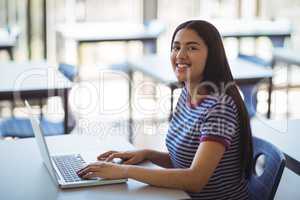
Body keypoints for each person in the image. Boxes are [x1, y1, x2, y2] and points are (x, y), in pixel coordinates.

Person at [77, 20, 253, 200]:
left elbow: (195, 179)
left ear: (212, 55)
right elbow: (184, 160)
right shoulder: (187, 93)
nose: (180, 55)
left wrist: (124, 171)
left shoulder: (219, 109)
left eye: (192, 48)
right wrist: (148, 154)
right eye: (176, 48)